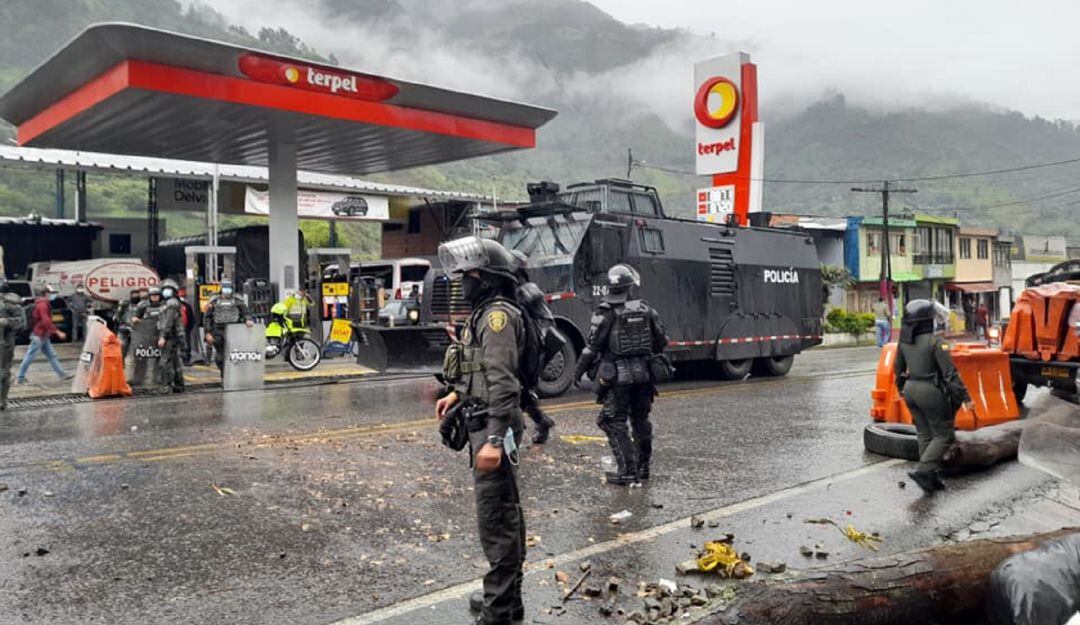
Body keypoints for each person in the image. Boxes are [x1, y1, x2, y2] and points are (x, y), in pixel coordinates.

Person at [434, 236, 528, 625]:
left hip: (494, 424)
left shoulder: (497, 318)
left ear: (486, 277)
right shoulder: (484, 314)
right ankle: (508, 598)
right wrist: (457, 394)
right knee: (504, 511)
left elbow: (504, 384)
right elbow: (481, 372)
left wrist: (493, 440)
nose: (463, 281)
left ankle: (499, 610)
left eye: (469, 274)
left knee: (496, 518)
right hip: (483, 417)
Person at [573, 264, 668, 485]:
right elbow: (662, 341)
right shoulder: (647, 310)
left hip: (617, 380)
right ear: (630, 287)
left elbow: (591, 348)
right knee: (641, 420)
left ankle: (627, 470)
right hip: (645, 376)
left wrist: (577, 372)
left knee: (612, 421)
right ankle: (643, 468)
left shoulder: (605, 314)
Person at [894, 299, 976, 495]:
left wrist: (902, 390)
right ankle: (923, 471)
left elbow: (898, 370)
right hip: (930, 390)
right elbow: (950, 375)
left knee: (925, 433)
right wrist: (966, 398)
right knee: (944, 435)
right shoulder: (938, 343)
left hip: (911, 390)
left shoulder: (904, 342)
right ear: (927, 321)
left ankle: (930, 476)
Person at [509, 249, 558, 445]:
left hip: (535, 344)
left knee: (519, 388)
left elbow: (521, 308)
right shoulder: (517, 288)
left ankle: (515, 430)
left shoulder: (527, 290)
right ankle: (541, 422)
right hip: (528, 342)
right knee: (521, 391)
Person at [15, 284, 70, 385]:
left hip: (43, 335)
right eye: (50, 293)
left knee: (51, 355)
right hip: (39, 335)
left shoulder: (41, 303)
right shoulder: (43, 305)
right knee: (29, 356)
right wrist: (57, 331)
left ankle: (62, 375)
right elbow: (46, 321)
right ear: (46, 294)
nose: (52, 296)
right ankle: (20, 378)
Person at [203, 280, 253, 375]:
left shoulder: (237, 301)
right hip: (218, 330)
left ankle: (234, 376)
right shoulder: (214, 301)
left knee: (234, 355)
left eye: (228, 288)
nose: (227, 290)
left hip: (234, 330)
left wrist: (248, 320)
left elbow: (246, 312)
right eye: (225, 288)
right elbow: (207, 318)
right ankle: (224, 374)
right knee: (220, 356)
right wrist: (208, 333)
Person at [156, 279, 185, 393]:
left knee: (164, 363)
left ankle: (166, 386)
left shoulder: (171, 303)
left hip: (170, 336)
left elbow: (168, 322)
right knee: (175, 361)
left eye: (169, 290)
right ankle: (179, 385)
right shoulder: (168, 303)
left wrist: (163, 336)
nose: (166, 292)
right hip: (174, 336)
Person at [0, 282, 26, 409]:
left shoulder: (10, 303)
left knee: (3, 372)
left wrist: (6, 322)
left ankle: (2, 400)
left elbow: (21, 323)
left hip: (4, 341)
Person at [113, 289, 142, 359]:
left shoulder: (142, 305)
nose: (135, 296)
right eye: (134, 295)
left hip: (138, 329)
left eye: (137, 295)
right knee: (121, 345)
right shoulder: (125, 304)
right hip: (125, 328)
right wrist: (122, 324)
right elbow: (117, 316)